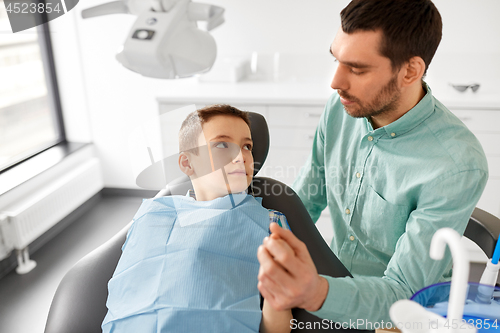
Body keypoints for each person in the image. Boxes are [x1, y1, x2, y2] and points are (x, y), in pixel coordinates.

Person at [257, 0, 488, 328]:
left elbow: (403, 291)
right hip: (329, 281)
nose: (336, 82)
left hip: (399, 311)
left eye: (357, 68)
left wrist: (315, 293)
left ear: (410, 70)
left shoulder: (456, 164)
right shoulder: (341, 109)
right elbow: (304, 201)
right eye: (336, 59)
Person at [102, 105, 292, 333]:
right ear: (187, 163)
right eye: (222, 144)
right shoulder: (151, 215)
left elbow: (278, 320)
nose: (241, 156)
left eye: (247, 146)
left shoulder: (271, 224)